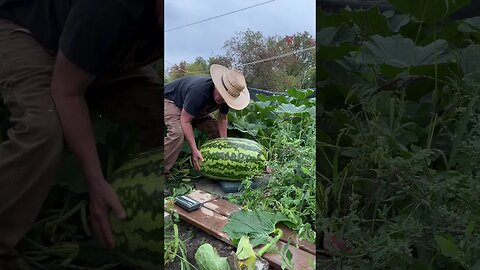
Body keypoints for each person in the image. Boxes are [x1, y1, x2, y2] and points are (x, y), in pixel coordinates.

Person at [0, 1, 163, 269]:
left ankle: (137, 213)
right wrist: (95, 182)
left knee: (161, 113)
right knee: (42, 130)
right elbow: (66, 90)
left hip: (89, 49)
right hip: (26, 32)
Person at [164, 64, 250, 174]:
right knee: (177, 133)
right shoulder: (199, 91)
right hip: (171, 101)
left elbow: (222, 119)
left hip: (193, 108)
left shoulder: (227, 97)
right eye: (221, 95)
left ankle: (213, 168)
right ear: (216, 85)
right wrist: (194, 150)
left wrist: (224, 142)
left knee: (216, 131)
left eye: (225, 99)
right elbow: (185, 120)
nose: (221, 99)